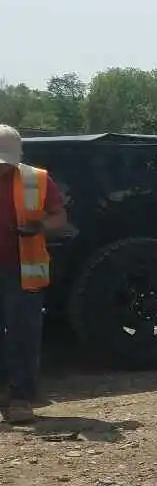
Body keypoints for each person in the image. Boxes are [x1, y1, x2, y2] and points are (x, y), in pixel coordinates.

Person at [0, 124, 70, 424]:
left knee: (23, 333)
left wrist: (38, 227)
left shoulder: (36, 180)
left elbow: (59, 219)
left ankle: (20, 397)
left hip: (23, 268)